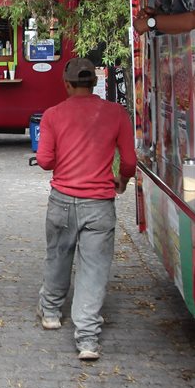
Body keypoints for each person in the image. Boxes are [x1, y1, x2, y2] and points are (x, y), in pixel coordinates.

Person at [35, 57, 136, 361]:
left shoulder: (53, 115)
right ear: (94, 82)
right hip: (99, 205)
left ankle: (51, 313)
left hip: (62, 201)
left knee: (58, 256)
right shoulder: (116, 113)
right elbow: (129, 161)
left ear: (66, 84)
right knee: (94, 269)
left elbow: (45, 161)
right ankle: (88, 339)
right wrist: (122, 181)